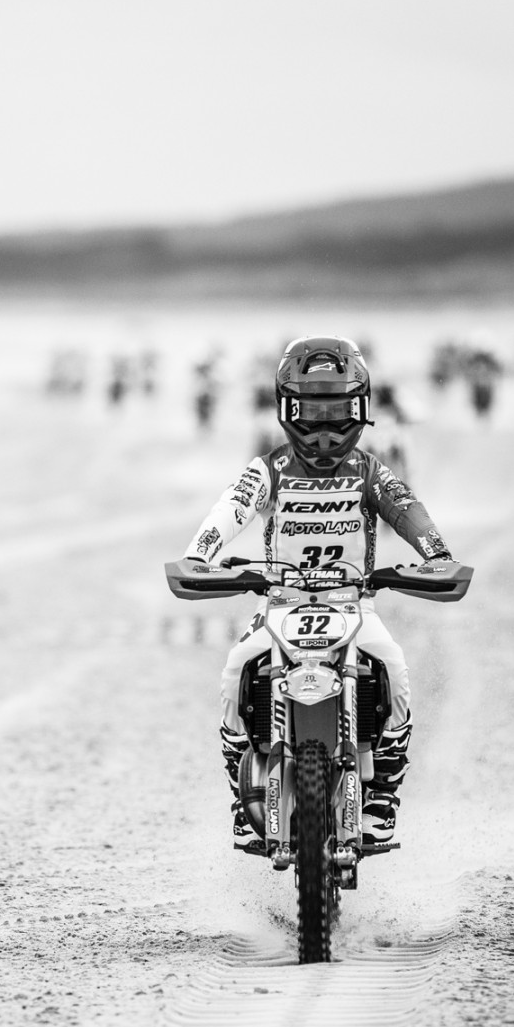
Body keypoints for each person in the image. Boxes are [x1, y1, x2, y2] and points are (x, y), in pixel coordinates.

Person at [183, 336, 456, 850]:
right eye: (312, 412)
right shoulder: (268, 470)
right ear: (288, 409)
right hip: (279, 603)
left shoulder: (370, 470)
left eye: (337, 412)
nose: (325, 428)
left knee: (395, 671)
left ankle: (382, 799)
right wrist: (199, 554)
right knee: (236, 671)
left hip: (354, 604)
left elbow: (406, 509)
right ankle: (242, 799)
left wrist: (436, 554)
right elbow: (231, 509)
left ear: (361, 409)